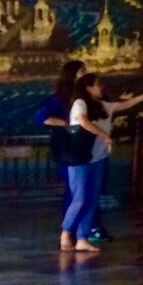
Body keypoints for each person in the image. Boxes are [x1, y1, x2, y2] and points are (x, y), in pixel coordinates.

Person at [61, 73, 143, 253]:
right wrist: (104, 135)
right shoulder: (80, 103)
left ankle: (82, 238)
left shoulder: (103, 105)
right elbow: (83, 121)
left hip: (98, 158)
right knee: (80, 198)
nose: (101, 87)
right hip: (80, 159)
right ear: (88, 87)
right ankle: (66, 233)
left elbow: (125, 104)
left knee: (93, 199)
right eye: (98, 84)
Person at [38, 59, 84, 216]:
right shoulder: (60, 98)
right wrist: (66, 123)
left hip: (79, 146)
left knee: (80, 188)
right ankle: (71, 225)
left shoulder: (80, 97)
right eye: (82, 72)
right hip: (68, 147)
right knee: (74, 188)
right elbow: (42, 117)